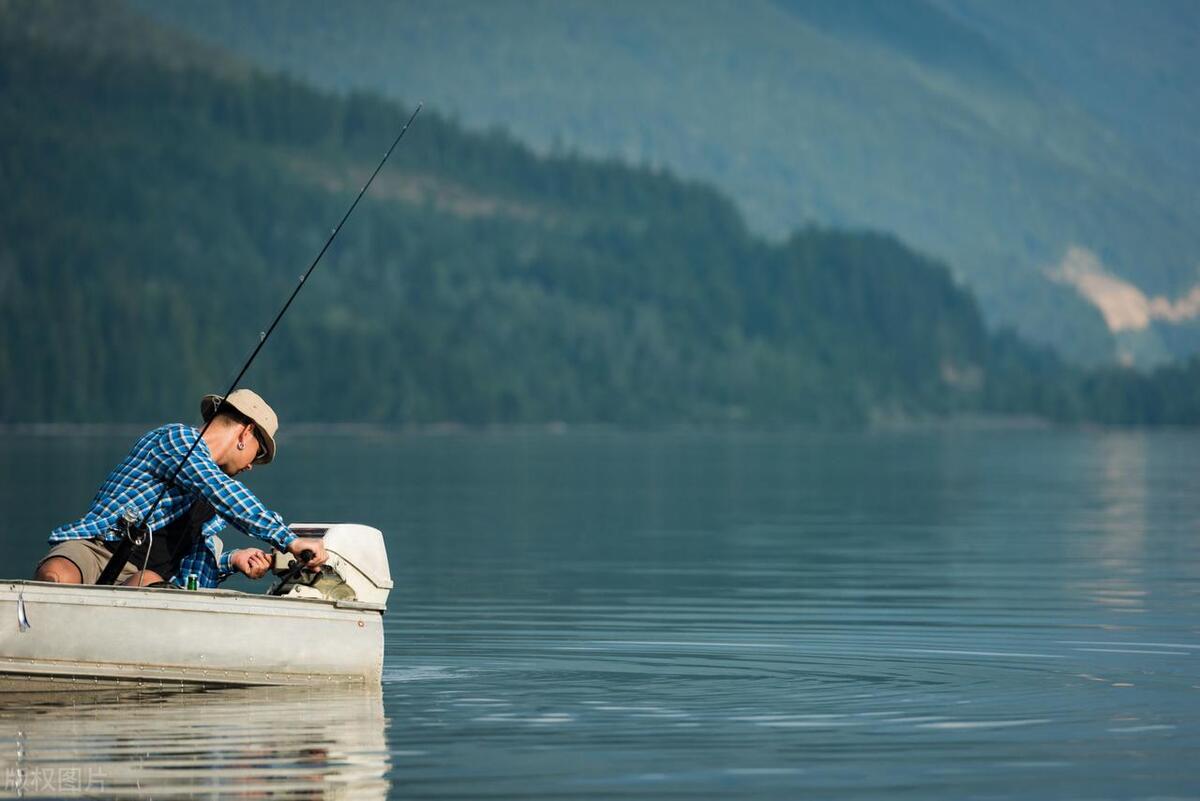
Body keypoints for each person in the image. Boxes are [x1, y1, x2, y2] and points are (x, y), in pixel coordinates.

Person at [34, 389, 326, 588]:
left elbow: (197, 564)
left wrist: (233, 560)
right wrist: (290, 540)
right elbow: (222, 491)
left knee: (151, 584)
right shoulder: (176, 440)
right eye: (258, 454)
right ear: (245, 433)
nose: (252, 466)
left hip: (140, 577)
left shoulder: (213, 508)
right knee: (57, 576)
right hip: (96, 548)